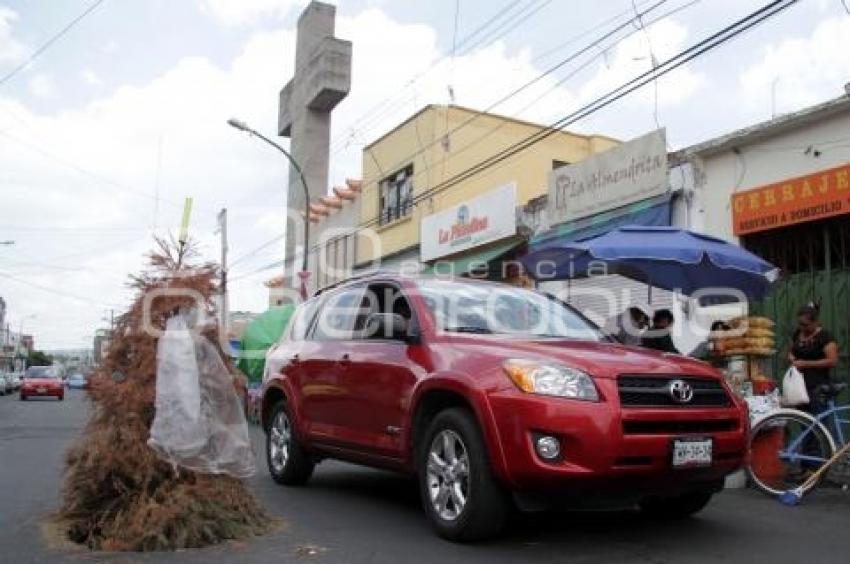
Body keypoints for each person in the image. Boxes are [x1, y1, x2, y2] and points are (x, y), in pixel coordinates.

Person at [788, 302, 838, 416]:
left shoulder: (825, 336)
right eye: (799, 324)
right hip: (799, 389)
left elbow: (832, 361)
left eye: (805, 324)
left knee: (820, 426)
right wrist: (791, 357)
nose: (802, 327)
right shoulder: (797, 333)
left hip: (818, 389)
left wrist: (806, 364)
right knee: (804, 422)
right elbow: (791, 351)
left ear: (815, 322)